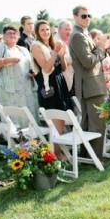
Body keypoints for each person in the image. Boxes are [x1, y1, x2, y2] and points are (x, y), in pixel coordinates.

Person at [69, 5, 110, 159]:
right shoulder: (77, 36)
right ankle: (96, 158)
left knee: (88, 124)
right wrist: (101, 48)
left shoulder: (83, 33)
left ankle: (87, 157)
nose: (87, 18)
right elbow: (88, 62)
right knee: (97, 123)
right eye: (83, 16)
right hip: (91, 86)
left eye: (89, 15)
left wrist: (100, 48)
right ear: (75, 17)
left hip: (91, 85)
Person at [30, 20, 72, 159]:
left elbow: (64, 68)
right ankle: (55, 156)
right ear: (37, 32)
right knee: (55, 124)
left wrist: (61, 55)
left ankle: (56, 155)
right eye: (42, 30)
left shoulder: (53, 45)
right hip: (49, 87)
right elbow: (46, 68)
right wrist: (55, 52)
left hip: (60, 83)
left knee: (61, 123)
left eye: (47, 29)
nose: (46, 32)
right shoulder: (36, 46)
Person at [0, 25, 39, 125]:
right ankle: (18, 140)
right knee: (14, 120)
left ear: (18, 36)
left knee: (29, 118)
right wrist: (8, 60)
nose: (12, 35)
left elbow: (31, 66)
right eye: (9, 33)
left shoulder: (23, 49)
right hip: (8, 91)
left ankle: (33, 140)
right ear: (4, 36)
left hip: (26, 90)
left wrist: (32, 73)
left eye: (14, 33)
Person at [56, 20, 74, 96]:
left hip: (73, 75)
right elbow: (65, 59)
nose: (68, 31)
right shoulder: (56, 41)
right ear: (59, 30)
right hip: (64, 76)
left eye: (70, 29)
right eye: (66, 29)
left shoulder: (71, 40)